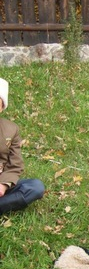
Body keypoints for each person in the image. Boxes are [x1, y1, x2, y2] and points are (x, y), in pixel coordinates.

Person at [0, 77, 44, 215]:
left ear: (2, 107)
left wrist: (3, 185)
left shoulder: (11, 129)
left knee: (35, 187)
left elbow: (15, 164)